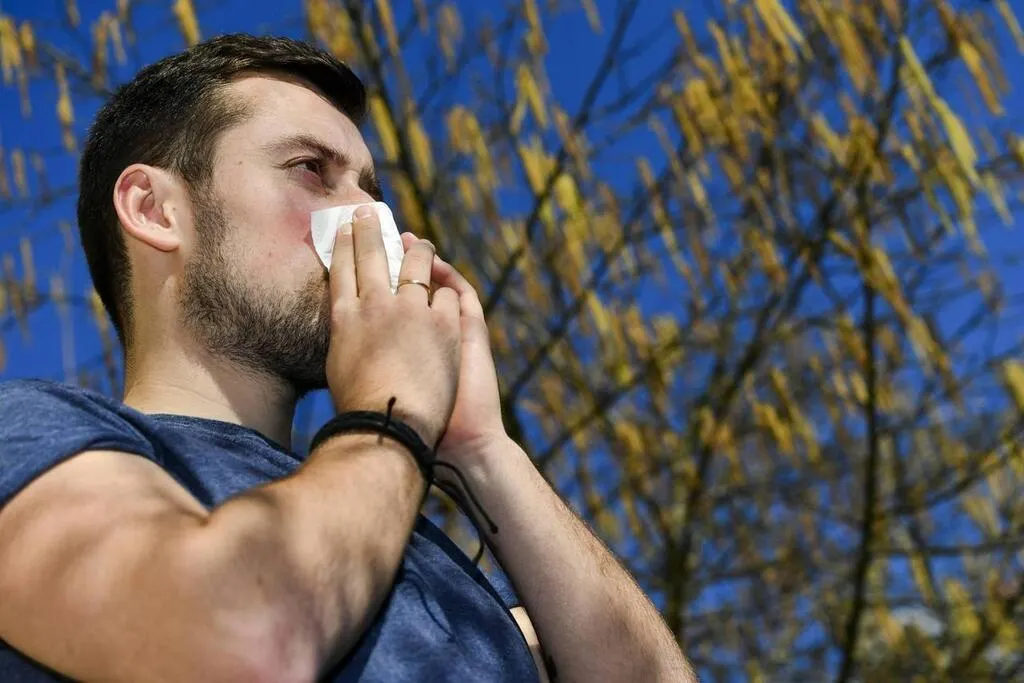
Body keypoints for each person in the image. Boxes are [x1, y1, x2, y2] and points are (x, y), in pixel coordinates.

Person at [0, 34, 694, 682]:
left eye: (373, 191)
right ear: (154, 210)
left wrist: (480, 449)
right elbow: (232, 642)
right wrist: (393, 413)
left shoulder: (422, 554)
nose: (372, 221)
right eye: (311, 170)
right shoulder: (31, 433)